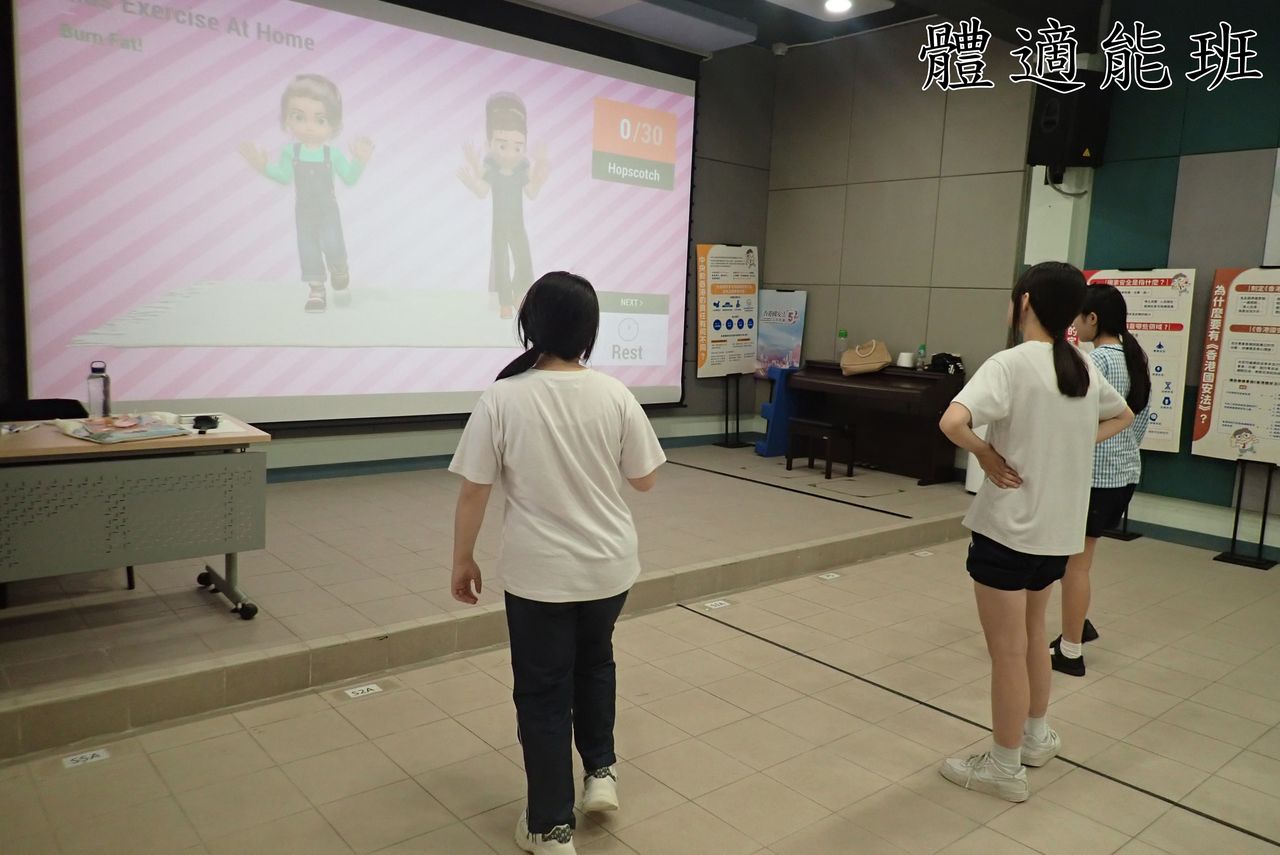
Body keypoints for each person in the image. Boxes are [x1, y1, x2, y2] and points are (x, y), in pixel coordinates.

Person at [448, 272, 666, 854]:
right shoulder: (614, 394)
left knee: (543, 693)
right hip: (608, 568)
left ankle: (550, 826)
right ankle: (601, 773)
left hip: (539, 575)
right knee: (595, 664)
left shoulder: (502, 398)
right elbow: (644, 480)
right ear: (589, 331)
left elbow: (473, 491)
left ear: (531, 326)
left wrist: (463, 558)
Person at [937, 262, 1134, 802]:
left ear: (1024, 302)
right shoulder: (1081, 364)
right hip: (1056, 535)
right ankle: (1035, 737)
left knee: (1007, 651)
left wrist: (986, 453)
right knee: (1031, 637)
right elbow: (1123, 416)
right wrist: (1071, 444)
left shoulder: (1010, 363)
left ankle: (1004, 767)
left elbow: (952, 422)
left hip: (1007, 531)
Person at [1053, 284, 1151, 677]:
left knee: (1074, 567)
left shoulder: (1094, 361)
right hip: (1123, 474)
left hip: (1093, 479)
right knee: (1077, 562)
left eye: (1079, 317)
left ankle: (1071, 652)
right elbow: (1137, 421)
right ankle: (1079, 624)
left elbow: (1070, 419)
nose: (1075, 325)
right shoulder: (1135, 356)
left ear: (1092, 319)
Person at [240, 74, 374, 313]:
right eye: (299, 117)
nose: (309, 127)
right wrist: (262, 166)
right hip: (303, 211)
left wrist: (360, 161)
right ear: (287, 119)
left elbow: (350, 178)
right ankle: (316, 290)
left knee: (333, 243)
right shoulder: (290, 153)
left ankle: (339, 268)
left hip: (328, 209)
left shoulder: (332, 154)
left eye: (320, 120)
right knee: (308, 248)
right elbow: (283, 176)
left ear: (333, 124)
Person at [457, 92, 552, 319]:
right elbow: (482, 192)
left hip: (517, 226)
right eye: (503, 146)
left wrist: (542, 169)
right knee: (502, 262)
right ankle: (505, 304)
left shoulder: (521, 171)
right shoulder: (492, 171)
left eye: (518, 148)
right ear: (489, 144)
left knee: (524, 260)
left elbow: (532, 192)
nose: (510, 154)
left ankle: (520, 295)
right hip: (499, 226)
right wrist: (470, 179)